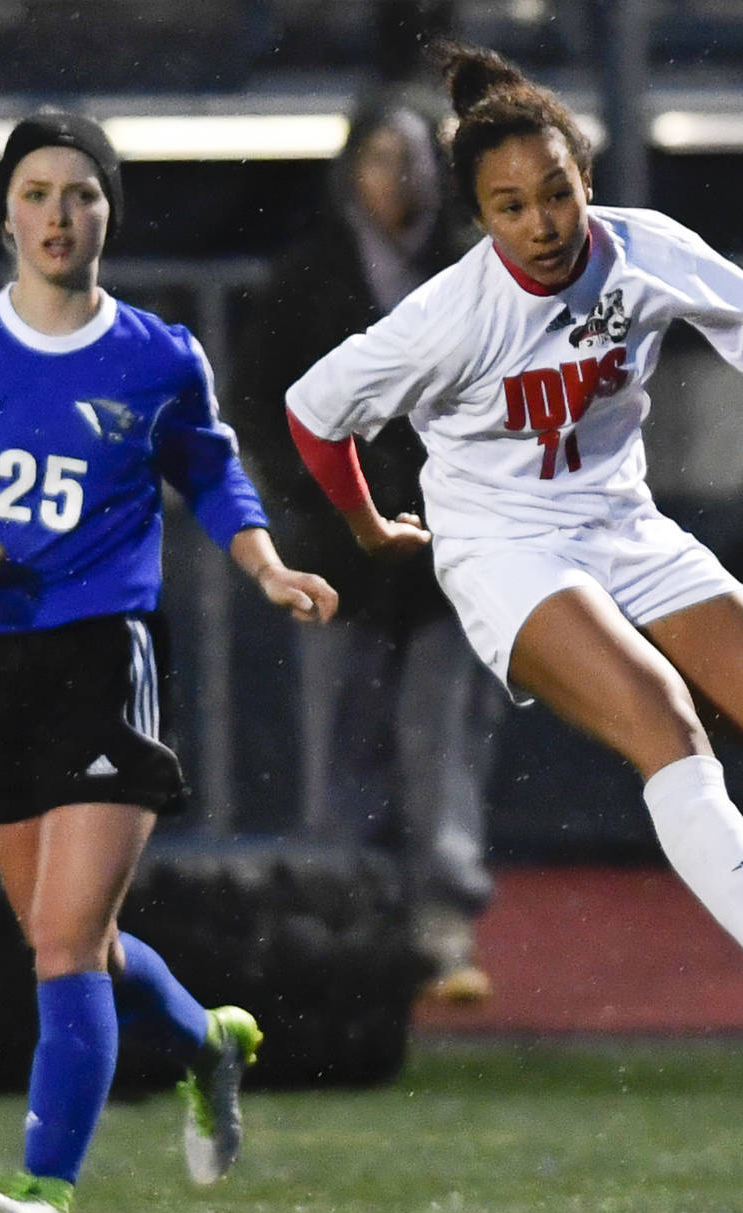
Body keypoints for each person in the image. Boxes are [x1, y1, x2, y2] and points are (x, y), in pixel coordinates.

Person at [284, 41, 743, 1040]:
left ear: (584, 179)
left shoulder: (643, 248)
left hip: (624, 526)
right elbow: (314, 412)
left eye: (554, 193)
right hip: (502, 550)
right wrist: (363, 525)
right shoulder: (447, 315)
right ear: (477, 219)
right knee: (664, 717)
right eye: (508, 207)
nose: (539, 223)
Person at [0, 110, 338, 1213]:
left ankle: (46, 1196)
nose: (58, 214)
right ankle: (206, 1044)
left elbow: (215, 478)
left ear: (107, 214)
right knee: (69, 936)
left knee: (64, 944)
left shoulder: (157, 355)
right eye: (37, 192)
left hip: (101, 657)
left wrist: (268, 563)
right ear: (6, 214)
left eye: (80, 193)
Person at [236, 87, 505, 1004]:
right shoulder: (306, 279)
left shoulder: (478, 273)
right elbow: (262, 403)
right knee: (341, 739)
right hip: (337, 551)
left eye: (423, 158)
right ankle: (340, 919)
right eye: (389, 157)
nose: (406, 177)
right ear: (352, 171)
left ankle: (441, 924)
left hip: (447, 551)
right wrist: (313, 505)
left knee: (442, 740)